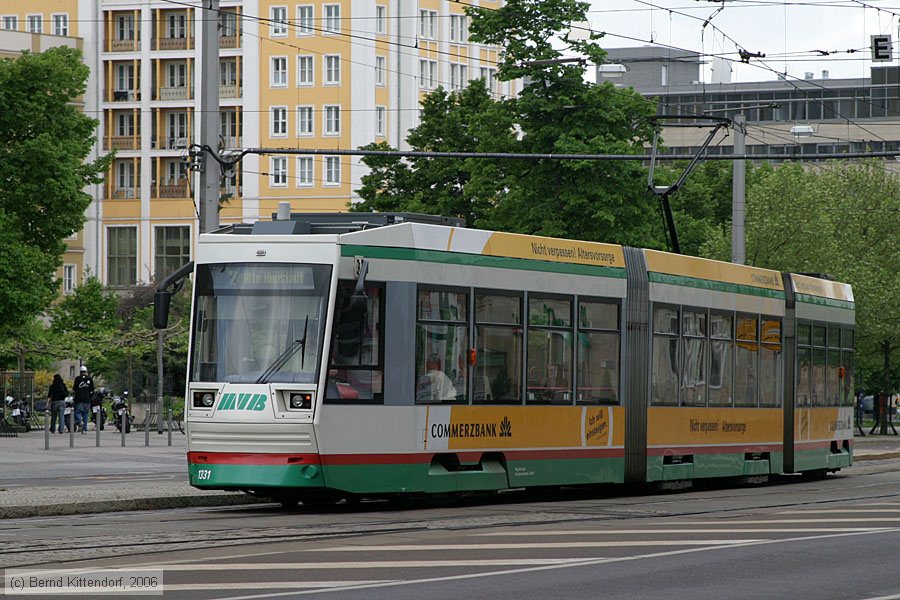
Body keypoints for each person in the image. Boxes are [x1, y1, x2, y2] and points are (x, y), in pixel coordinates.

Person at [72, 365, 94, 434]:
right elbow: (92, 389)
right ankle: (84, 429)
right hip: (87, 399)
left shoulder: (77, 379)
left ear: (80, 371)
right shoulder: (89, 379)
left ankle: (79, 421)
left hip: (79, 399)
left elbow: (74, 389)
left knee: (77, 412)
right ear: (86, 371)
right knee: (85, 414)